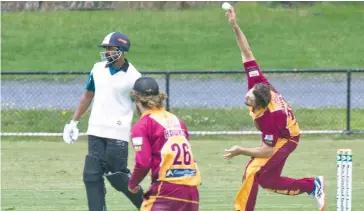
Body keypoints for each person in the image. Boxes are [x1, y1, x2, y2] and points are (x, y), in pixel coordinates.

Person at [222, 7, 326, 211]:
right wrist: (234, 25)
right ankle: (312, 185)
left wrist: (241, 150)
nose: (247, 94)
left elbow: (267, 149)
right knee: (265, 180)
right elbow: (247, 51)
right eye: (249, 92)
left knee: (253, 171)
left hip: (286, 139)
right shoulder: (259, 83)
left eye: (250, 98)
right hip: (278, 135)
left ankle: (311, 186)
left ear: (260, 104)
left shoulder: (271, 116)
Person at [62, 32, 143, 211]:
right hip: (95, 131)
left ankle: (149, 206)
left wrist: (147, 128)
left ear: (121, 51)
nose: (106, 52)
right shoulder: (97, 69)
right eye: (105, 48)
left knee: (118, 178)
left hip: (117, 133)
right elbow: (88, 95)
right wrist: (73, 121)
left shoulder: (134, 76)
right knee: (91, 175)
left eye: (110, 48)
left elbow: (141, 105)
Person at [128, 76, 201, 211]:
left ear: (136, 99)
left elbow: (143, 163)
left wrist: (132, 183)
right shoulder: (177, 120)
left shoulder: (143, 125)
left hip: (167, 190)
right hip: (191, 192)